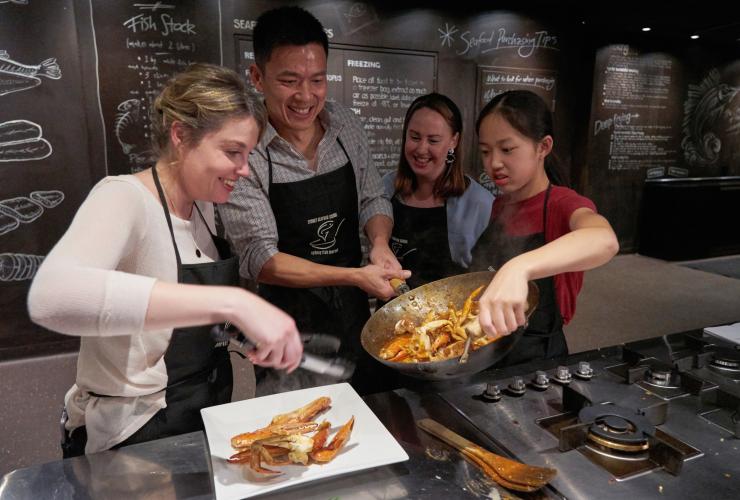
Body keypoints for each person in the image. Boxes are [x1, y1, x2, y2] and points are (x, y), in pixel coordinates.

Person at [27, 63, 304, 457]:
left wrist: (239, 332)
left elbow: (175, 322)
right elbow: (51, 298)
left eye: (248, 155)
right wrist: (236, 301)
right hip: (136, 433)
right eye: (232, 152)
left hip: (204, 410)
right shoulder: (123, 198)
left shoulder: (204, 210)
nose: (244, 170)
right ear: (180, 134)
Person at [219, 6, 408, 395]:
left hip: (355, 313)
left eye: (317, 80)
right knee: (299, 436)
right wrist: (354, 276)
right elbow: (262, 259)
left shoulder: (346, 125)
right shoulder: (246, 151)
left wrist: (379, 243)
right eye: (289, 81)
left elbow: (373, 196)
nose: (306, 96)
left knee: (372, 420)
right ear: (257, 77)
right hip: (285, 328)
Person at [470, 90, 619, 366]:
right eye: (485, 151)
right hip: (489, 349)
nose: (494, 163)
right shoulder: (501, 205)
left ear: (543, 147)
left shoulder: (564, 204)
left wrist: (519, 267)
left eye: (507, 149)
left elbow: (604, 240)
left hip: (537, 359)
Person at [382, 93, 494, 289]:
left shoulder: (479, 203)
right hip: (393, 313)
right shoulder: (385, 188)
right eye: (414, 137)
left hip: (451, 313)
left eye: (433, 140)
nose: (421, 149)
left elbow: (490, 274)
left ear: (454, 141)